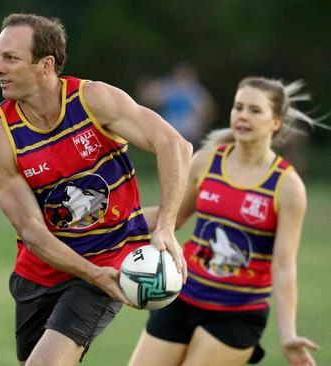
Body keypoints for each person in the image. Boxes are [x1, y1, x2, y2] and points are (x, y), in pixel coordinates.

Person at [0, 13, 192, 366]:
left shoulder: (93, 101)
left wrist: (167, 224)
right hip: (40, 273)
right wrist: (91, 272)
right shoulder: (1, 143)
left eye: (11, 58)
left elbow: (174, 144)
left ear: (45, 64)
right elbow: (32, 232)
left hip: (109, 262)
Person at [128, 77, 324, 366]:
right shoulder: (206, 162)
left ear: (276, 122)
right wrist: (112, 222)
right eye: (238, 107)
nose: (243, 115)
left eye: (255, 110)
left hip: (237, 313)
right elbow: (170, 218)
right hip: (183, 295)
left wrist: (288, 335)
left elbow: (283, 266)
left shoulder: (287, 186)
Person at [137, 63, 216, 148]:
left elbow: (209, 111)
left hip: (189, 134)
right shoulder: (169, 87)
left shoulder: (195, 91)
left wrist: (201, 125)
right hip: (171, 132)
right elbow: (149, 98)